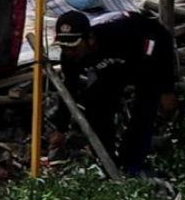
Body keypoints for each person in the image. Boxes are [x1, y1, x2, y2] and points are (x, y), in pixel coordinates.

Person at [53, 10, 178, 175]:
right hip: (111, 66)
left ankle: (133, 164)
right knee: (95, 106)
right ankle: (108, 161)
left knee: (145, 107)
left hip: (144, 55)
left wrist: (167, 89)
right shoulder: (70, 58)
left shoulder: (118, 34)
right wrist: (60, 129)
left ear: (89, 39)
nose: (69, 52)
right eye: (64, 47)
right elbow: (69, 88)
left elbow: (160, 46)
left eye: (74, 48)